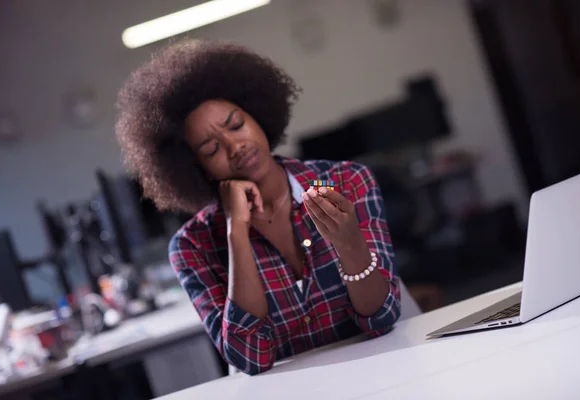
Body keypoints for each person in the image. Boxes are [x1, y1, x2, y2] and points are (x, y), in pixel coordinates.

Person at [115, 38, 401, 375]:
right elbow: (250, 357)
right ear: (194, 167)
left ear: (258, 115)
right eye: (210, 149)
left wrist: (349, 242)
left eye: (236, 125)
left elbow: (381, 318)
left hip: (380, 375)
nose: (236, 146)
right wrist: (236, 229)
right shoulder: (192, 245)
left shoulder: (346, 183)